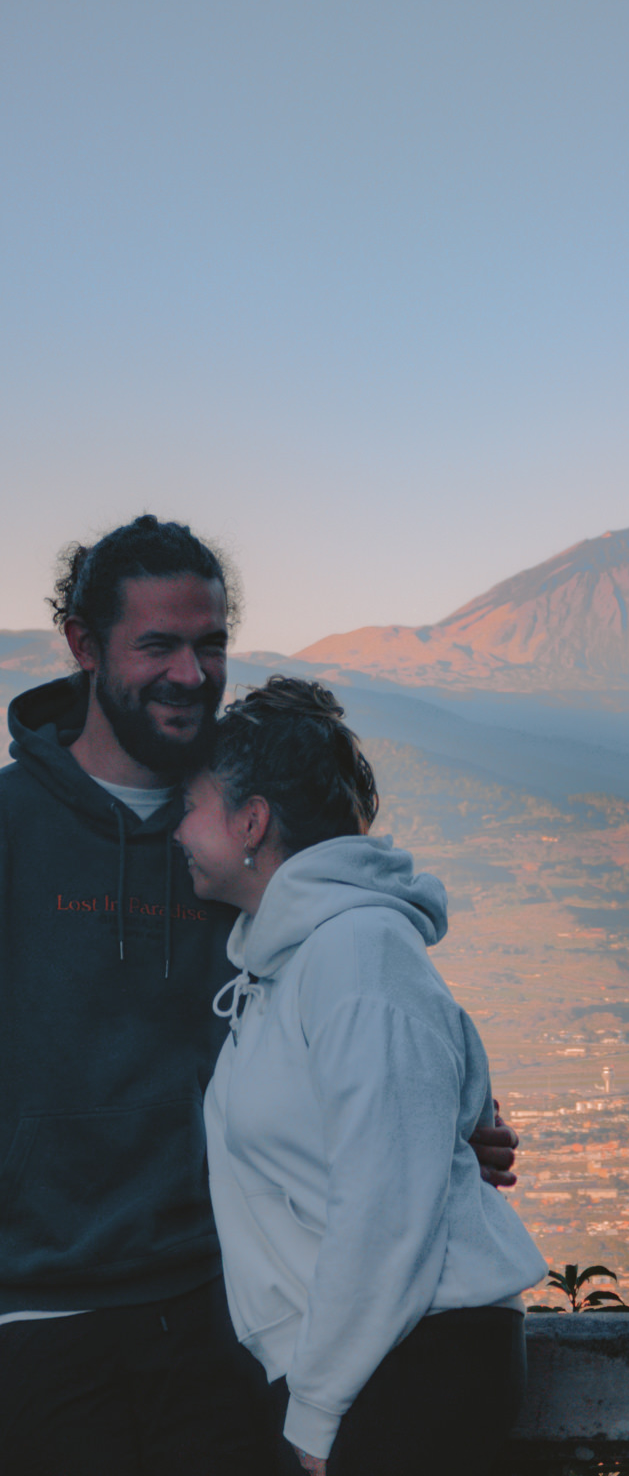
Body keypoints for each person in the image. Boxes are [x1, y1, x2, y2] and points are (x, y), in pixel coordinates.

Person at [0, 514, 520, 1476]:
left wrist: (450, 1109)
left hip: (226, 1309)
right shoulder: (15, 829)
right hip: (47, 1311)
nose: (191, 675)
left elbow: (366, 998)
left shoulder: (267, 854)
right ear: (82, 645)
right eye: (157, 644)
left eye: (209, 645)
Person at [176, 675, 547, 1476]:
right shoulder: (292, 960)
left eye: (191, 806)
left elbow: (385, 1209)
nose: (177, 829)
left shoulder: (356, 954)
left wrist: (315, 1419)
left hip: (413, 1363)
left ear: (251, 820)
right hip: (370, 1359)